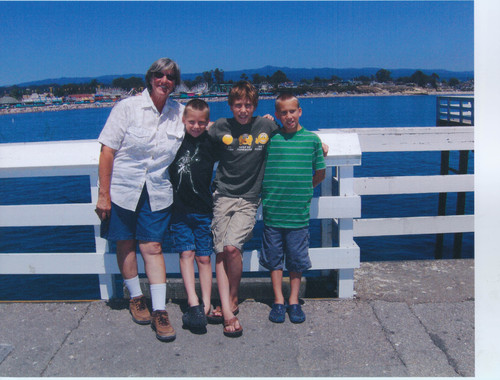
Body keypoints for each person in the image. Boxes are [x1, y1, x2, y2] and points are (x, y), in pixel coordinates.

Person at [95, 57, 184, 342]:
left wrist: (264, 125)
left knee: (153, 246)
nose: (164, 81)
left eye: (170, 77)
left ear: (175, 82)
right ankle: (136, 297)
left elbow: (207, 130)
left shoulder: (179, 113)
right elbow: (107, 151)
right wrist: (104, 195)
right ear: (150, 78)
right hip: (122, 188)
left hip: (157, 190)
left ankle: (159, 310)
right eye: (160, 76)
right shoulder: (127, 108)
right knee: (125, 243)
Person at [207, 81, 279, 337]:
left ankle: (232, 298)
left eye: (248, 105)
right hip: (222, 196)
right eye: (238, 105)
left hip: (248, 198)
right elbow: (194, 134)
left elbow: (291, 133)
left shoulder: (266, 126)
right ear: (230, 106)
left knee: (231, 248)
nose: (243, 110)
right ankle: (228, 304)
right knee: (220, 252)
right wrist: (204, 126)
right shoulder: (220, 127)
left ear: (255, 106)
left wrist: (319, 145)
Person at [260, 93, 326, 324]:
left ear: (300, 112)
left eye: (292, 111)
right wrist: (267, 123)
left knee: (296, 260)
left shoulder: (312, 140)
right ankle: (278, 300)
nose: (289, 116)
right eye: (283, 112)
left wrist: (306, 189)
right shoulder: (271, 139)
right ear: (278, 115)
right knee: (274, 259)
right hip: (273, 210)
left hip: (298, 213)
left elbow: (320, 173)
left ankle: (294, 300)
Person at [168, 99, 218, 331]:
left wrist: (268, 122)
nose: (196, 126)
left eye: (201, 122)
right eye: (191, 122)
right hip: (179, 210)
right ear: (183, 121)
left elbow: (239, 140)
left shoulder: (211, 142)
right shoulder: (175, 141)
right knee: (186, 254)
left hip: (203, 210)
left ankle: (206, 303)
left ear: (207, 122)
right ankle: (193, 302)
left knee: (204, 258)